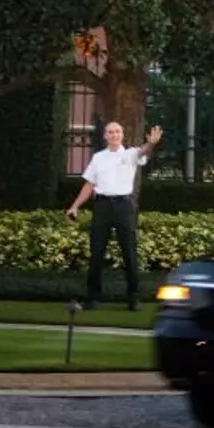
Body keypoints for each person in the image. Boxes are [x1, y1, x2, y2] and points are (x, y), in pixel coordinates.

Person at [67, 121, 163, 311]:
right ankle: (93, 297)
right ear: (105, 136)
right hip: (102, 206)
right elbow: (89, 185)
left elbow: (144, 151)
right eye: (110, 132)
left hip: (123, 206)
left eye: (117, 131)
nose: (114, 135)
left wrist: (152, 143)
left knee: (129, 252)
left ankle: (133, 297)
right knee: (96, 253)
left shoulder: (130, 154)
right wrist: (75, 206)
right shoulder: (98, 158)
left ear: (122, 135)